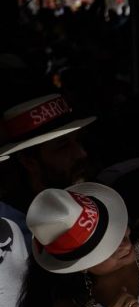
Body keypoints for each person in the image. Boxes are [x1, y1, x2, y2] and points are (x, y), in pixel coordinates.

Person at [0, 93, 95, 233]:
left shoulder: (98, 196)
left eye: (78, 140)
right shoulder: (11, 227)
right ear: (29, 161)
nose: (81, 153)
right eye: (63, 146)